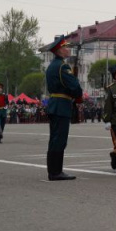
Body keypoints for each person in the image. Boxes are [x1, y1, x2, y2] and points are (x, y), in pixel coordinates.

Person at [42, 36, 80, 180]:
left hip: (55, 104)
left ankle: (54, 170)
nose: (68, 49)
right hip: (61, 105)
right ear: (59, 50)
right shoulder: (62, 66)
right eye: (65, 47)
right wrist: (77, 95)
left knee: (55, 139)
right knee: (59, 140)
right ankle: (56, 172)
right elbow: (75, 86)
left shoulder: (52, 66)